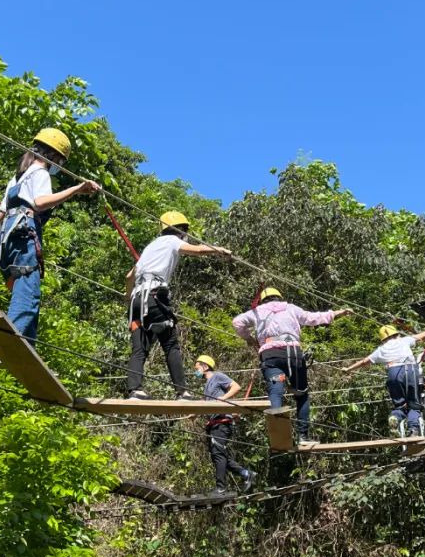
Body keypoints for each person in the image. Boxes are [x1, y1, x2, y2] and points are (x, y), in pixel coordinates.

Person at [0, 128, 100, 344]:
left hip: (7, 239)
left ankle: (27, 346)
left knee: (25, 290)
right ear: (52, 156)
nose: (59, 167)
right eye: (60, 162)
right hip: (25, 237)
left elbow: (0, 215)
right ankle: (13, 340)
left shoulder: (17, 178)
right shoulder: (40, 172)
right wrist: (76, 189)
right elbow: (41, 202)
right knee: (28, 291)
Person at [127, 211, 231, 400]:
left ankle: (135, 390)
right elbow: (197, 250)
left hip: (136, 301)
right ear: (180, 231)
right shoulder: (172, 241)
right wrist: (219, 250)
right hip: (155, 296)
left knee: (139, 348)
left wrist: (128, 298)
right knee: (171, 344)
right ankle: (182, 391)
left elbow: (129, 277)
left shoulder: (149, 248)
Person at [231, 288, 352, 442]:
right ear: (280, 297)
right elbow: (313, 318)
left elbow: (237, 322)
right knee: (301, 394)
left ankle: (278, 427)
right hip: (293, 354)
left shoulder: (257, 311)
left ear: (262, 300)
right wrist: (337, 313)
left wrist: (248, 338)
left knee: (276, 391)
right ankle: (303, 436)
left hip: (271, 355)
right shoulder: (291, 308)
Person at [344, 324, 425, 437]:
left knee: (400, 405)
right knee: (414, 403)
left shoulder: (381, 349)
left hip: (393, 372)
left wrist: (349, 369)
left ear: (383, 339)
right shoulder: (404, 340)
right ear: (397, 334)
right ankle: (413, 430)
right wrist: (419, 334)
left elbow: (365, 361)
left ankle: (395, 418)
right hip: (409, 370)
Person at [194, 355, 256, 494]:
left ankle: (220, 487)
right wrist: (195, 413)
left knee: (218, 454)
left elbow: (236, 387)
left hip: (221, 423)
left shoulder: (217, 376)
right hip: (214, 424)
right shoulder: (207, 385)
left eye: (197, 367)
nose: (196, 371)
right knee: (219, 455)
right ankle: (246, 474)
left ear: (205, 366)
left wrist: (223, 398)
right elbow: (206, 403)